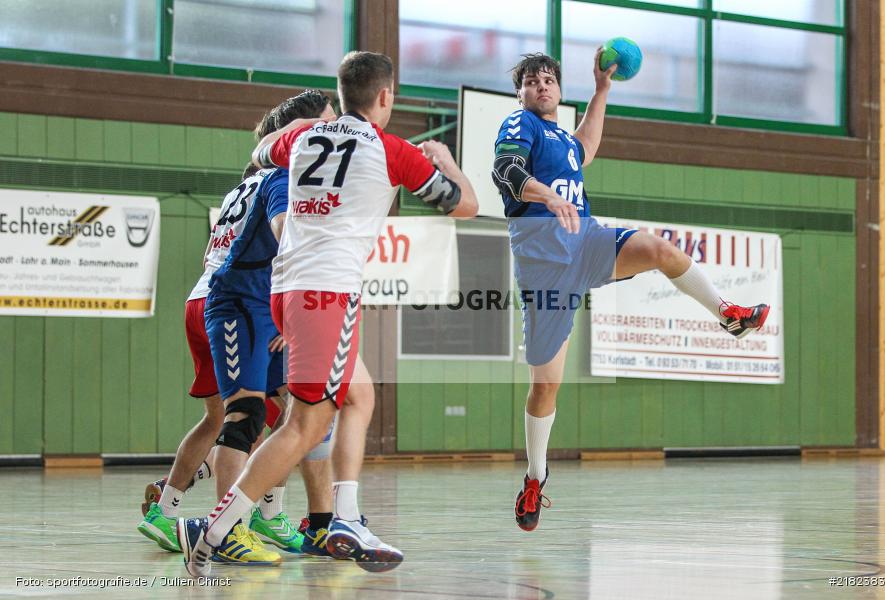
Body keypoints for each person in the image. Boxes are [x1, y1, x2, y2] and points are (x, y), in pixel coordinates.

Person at [178, 50, 478, 577]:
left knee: (358, 396)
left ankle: (342, 517)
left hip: (287, 290)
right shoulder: (392, 150)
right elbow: (465, 205)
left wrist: (301, 123)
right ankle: (217, 529)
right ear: (386, 96)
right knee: (303, 425)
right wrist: (446, 160)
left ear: (340, 95)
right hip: (327, 292)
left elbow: (261, 148)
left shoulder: (300, 139)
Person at [491, 51, 770, 532]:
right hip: (545, 266)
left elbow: (585, 146)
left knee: (661, 250)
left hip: (587, 243)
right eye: (532, 81)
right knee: (545, 386)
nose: (542, 86)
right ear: (520, 92)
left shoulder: (561, 136)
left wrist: (601, 90)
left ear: (559, 89)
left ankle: (727, 313)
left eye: (549, 79)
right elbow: (506, 174)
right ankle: (536, 476)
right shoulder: (519, 124)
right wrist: (550, 195)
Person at [138, 93, 338, 562]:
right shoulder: (281, 181)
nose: (332, 133)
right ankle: (229, 523)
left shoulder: (243, 185)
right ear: (298, 131)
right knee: (246, 416)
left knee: (273, 410)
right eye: (325, 124)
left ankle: (220, 507)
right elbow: (285, 240)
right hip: (241, 302)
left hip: (212, 295)